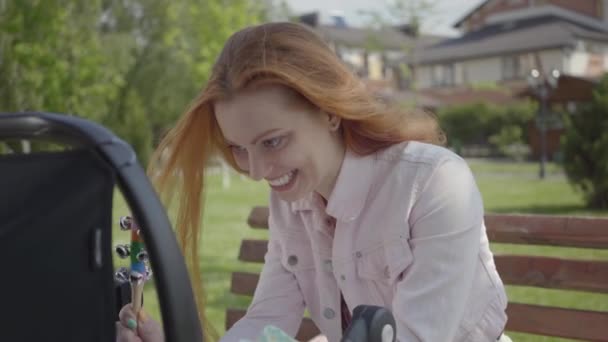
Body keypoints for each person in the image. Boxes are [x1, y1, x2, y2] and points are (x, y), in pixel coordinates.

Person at [116, 22, 509, 342]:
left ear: (330, 112)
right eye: (238, 148)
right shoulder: (291, 200)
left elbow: (418, 337)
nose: (256, 171)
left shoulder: (435, 183)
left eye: (272, 142)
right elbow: (267, 320)